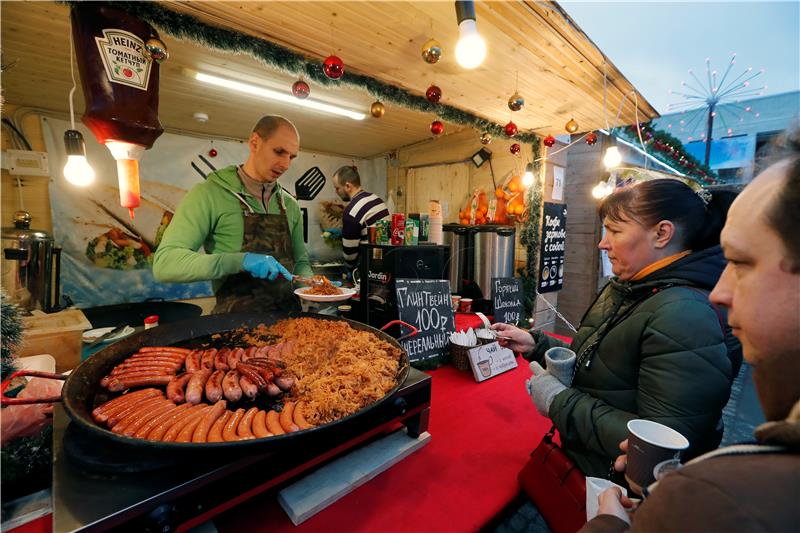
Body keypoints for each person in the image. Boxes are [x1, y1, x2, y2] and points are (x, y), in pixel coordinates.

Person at [581, 130, 800, 532]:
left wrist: (612, 524)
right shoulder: (627, 287)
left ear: (662, 234)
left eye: (743, 263)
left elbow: (666, 435)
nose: (719, 292)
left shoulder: (718, 499)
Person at [492, 178, 742, 480]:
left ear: (662, 233)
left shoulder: (684, 313)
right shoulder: (632, 286)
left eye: (615, 230)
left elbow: (661, 444)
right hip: (588, 462)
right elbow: (605, 364)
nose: (602, 242)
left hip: (615, 490)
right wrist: (536, 343)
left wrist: (559, 402)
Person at [153, 115, 313, 313]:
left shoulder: (290, 205)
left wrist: (313, 286)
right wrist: (240, 260)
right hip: (234, 327)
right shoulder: (209, 194)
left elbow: (300, 262)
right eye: (279, 152)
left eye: (292, 156)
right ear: (254, 143)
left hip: (292, 323)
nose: (286, 164)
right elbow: (165, 263)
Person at [332, 165, 390, 269]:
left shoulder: (351, 212)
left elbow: (350, 256)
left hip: (370, 268)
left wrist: (348, 269)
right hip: (387, 261)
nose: (336, 192)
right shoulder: (376, 199)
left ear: (348, 186)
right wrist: (343, 235)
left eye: (337, 188)